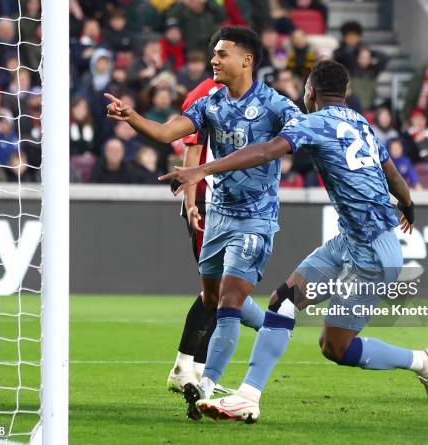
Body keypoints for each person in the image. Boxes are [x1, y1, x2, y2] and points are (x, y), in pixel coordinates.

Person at [162, 59, 428, 422]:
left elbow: (267, 151)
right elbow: (393, 174)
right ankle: (249, 395)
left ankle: (423, 361)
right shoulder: (362, 122)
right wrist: (407, 204)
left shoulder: (312, 122)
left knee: (335, 347)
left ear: (310, 92)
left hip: (373, 254)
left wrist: (203, 168)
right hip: (351, 242)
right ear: (345, 93)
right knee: (283, 301)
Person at [105, 26, 302, 419]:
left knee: (228, 301)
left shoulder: (278, 107)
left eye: (222, 53)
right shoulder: (210, 102)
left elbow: (266, 151)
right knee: (212, 300)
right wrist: (132, 117)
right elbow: (166, 133)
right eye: (213, 53)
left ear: (246, 60)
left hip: (255, 218)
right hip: (218, 218)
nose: (214, 59)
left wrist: (202, 172)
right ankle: (274, 325)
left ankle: (206, 386)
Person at [166, 78, 260, 396]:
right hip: (207, 202)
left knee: (220, 291)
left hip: (227, 203)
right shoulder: (205, 95)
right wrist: (191, 204)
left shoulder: (245, 95)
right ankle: (184, 367)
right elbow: (192, 152)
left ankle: (199, 372)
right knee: (215, 290)